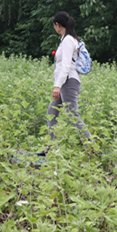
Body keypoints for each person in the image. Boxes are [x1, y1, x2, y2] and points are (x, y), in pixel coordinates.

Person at [42, 11, 91, 154]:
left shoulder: (68, 40)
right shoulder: (66, 39)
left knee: (72, 115)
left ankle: (91, 146)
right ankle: (51, 147)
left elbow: (66, 65)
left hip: (68, 82)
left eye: (54, 25)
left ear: (57, 25)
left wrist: (57, 86)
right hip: (66, 82)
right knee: (52, 112)